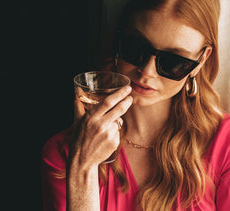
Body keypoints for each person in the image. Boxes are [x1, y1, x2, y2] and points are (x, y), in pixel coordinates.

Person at [41, 0, 230, 210]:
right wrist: (83, 166)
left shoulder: (225, 146)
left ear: (201, 61)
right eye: (135, 48)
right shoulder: (63, 152)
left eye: (173, 62)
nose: (147, 71)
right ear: (118, 40)